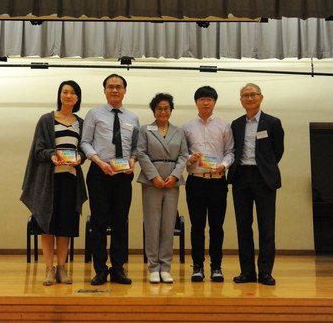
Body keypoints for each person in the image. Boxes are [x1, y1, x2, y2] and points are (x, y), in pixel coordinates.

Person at [21, 80, 88, 286]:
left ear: (77, 98)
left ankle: (62, 269)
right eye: (65, 92)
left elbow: (84, 149)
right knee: (47, 225)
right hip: (48, 182)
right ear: (60, 95)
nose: (68, 95)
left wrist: (80, 158)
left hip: (70, 180)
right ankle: (49, 269)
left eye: (73, 93)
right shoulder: (46, 120)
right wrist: (52, 155)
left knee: (66, 226)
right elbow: (38, 150)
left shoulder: (81, 123)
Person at [80, 73, 140, 285]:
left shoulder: (132, 118)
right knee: (98, 221)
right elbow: (85, 142)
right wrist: (99, 162)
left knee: (120, 222)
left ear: (125, 90)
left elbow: (135, 147)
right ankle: (100, 269)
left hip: (123, 175)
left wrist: (133, 160)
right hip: (99, 173)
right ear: (104, 90)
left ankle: (118, 269)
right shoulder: (94, 114)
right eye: (111, 86)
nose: (115, 90)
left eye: (119, 86)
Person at [228, 83, 284, 286]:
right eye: (245, 95)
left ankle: (265, 272)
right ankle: (247, 272)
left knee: (267, 228)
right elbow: (233, 150)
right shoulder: (235, 124)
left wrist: (265, 168)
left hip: (264, 179)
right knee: (243, 227)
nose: (249, 98)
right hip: (241, 177)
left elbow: (277, 152)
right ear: (241, 100)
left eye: (253, 95)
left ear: (261, 98)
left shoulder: (273, 123)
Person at [182, 86, 234, 282]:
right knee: (197, 226)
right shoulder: (187, 127)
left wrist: (223, 165)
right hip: (195, 182)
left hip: (217, 182)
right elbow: (182, 154)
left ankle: (216, 267)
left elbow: (230, 152)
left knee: (217, 226)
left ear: (214, 102)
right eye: (202, 99)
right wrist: (190, 158)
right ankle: (197, 267)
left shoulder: (224, 126)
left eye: (209, 99)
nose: (206, 103)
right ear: (196, 102)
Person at [137, 93, 188, 284]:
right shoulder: (145, 130)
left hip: (172, 182)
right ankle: (153, 267)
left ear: (171, 110)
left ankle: (165, 267)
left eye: (166, 108)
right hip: (152, 181)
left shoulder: (179, 131)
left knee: (168, 224)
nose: (163, 111)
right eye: (159, 108)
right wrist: (154, 176)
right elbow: (141, 153)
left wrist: (175, 175)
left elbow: (184, 156)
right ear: (154, 110)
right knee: (152, 224)